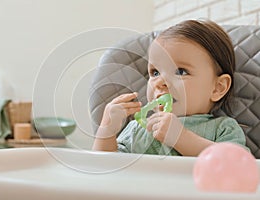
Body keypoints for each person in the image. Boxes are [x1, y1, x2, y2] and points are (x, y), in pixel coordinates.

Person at [92, 19, 248, 156]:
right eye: (155, 72)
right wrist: (107, 130)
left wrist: (181, 138)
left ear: (217, 88)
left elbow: (239, 166)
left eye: (180, 71)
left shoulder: (222, 128)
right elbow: (103, 169)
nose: (160, 82)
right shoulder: (137, 129)